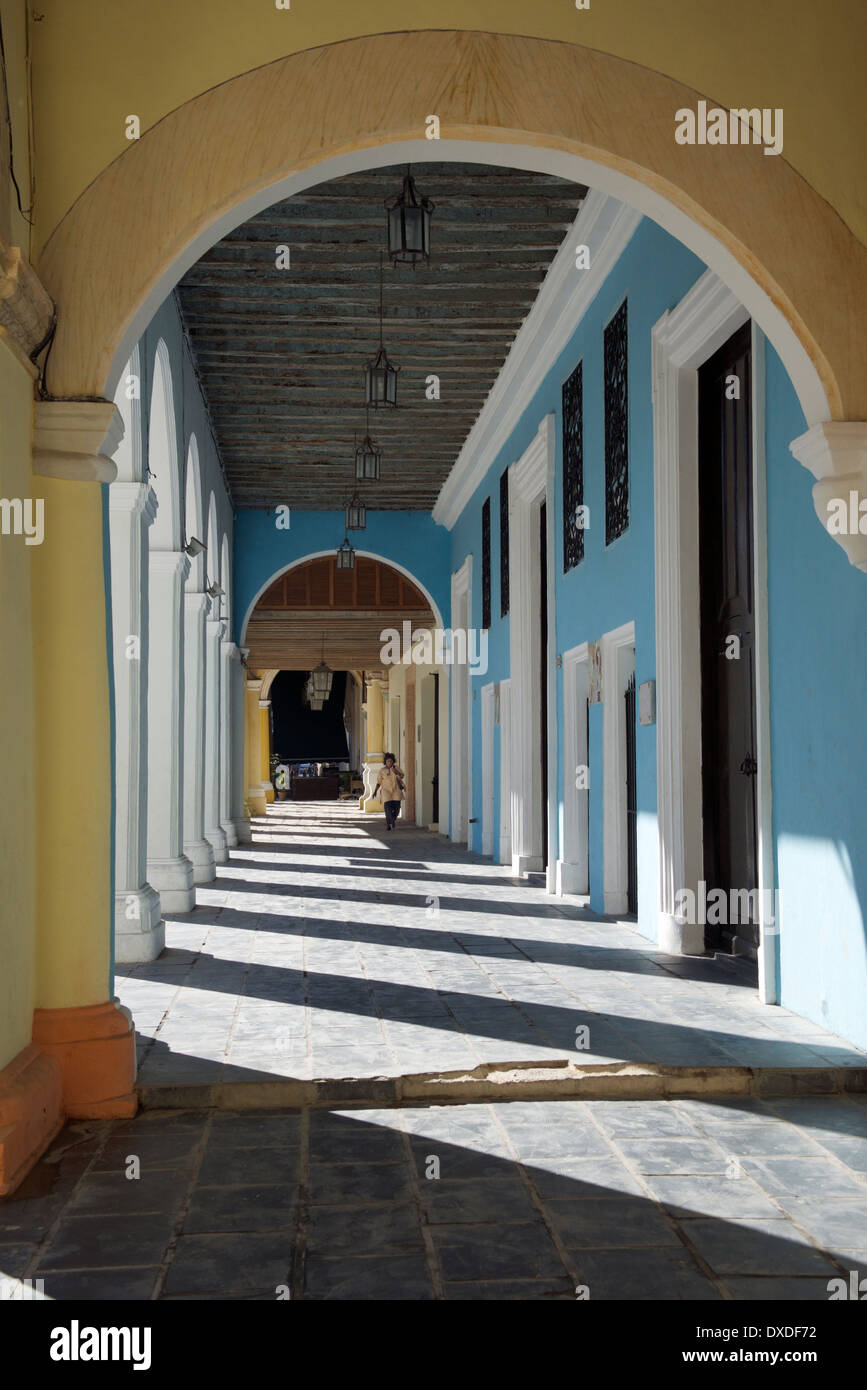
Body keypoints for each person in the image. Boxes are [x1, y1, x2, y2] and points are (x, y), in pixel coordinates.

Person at [374, 752, 405, 830]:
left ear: (393, 761)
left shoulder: (396, 768)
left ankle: (393, 820)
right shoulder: (382, 770)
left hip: (396, 791)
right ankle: (389, 824)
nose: (389, 762)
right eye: (388, 761)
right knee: (387, 808)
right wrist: (375, 791)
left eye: (391, 761)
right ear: (385, 762)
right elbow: (379, 782)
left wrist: (396, 772)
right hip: (386, 792)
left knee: (397, 808)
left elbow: (402, 776)